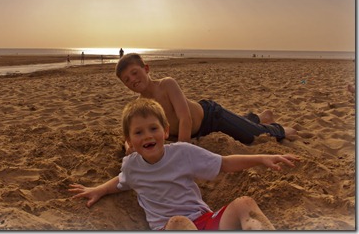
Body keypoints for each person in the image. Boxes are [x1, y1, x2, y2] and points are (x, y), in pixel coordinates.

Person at [69, 98, 299, 230]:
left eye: (153, 129)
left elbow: (224, 164)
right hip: (169, 228)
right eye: (139, 132)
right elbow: (121, 181)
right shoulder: (131, 166)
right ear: (129, 141)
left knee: (244, 203)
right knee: (179, 223)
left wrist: (260, 158)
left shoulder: (183, 153)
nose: (148, 136)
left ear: (166, 131)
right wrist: (98, 189)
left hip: (203, 220)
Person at [115, 53, 297, 153]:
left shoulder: (166, 84)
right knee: (243, 125)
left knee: (254, 137)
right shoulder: (141, 106)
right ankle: (256, 117)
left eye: (134, 73)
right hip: (197, 133)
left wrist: (183, 151)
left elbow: (184, 118)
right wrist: (129, 148)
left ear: (146, 69)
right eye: (126, 80)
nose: (132, 80)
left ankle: (278, 128)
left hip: (211, 117)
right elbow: (129, 137)